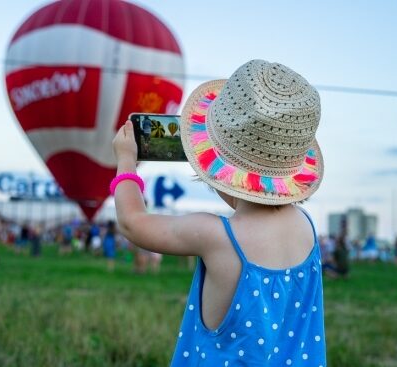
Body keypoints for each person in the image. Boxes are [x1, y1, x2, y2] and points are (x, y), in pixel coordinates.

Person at [112, 60, 326, 365]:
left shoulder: (216, 235)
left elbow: (133, 223)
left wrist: (126, 161)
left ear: (215, 164)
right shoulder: (306, 227)